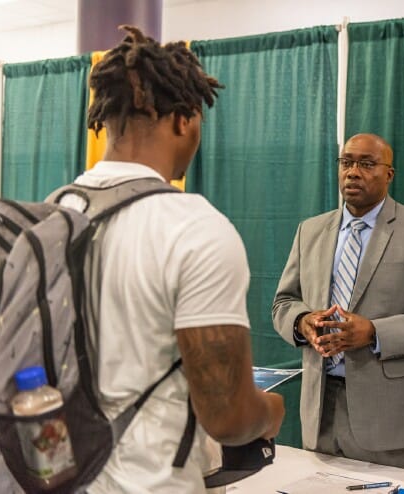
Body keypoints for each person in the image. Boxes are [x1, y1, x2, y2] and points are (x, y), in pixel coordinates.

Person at [71, 26, 284, 493]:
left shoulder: (56, 212)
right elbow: (229, 418)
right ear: (184, 119)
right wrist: (271, 411)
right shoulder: (193, 227)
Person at [272, 133, 404, 469]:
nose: (353, 172)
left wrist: (373, 332)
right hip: (320, 409)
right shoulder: (310, 230)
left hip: (391, 420)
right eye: (346, 162)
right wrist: (302, 322)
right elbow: (284, 302)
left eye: (367, 164)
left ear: (389, 174)